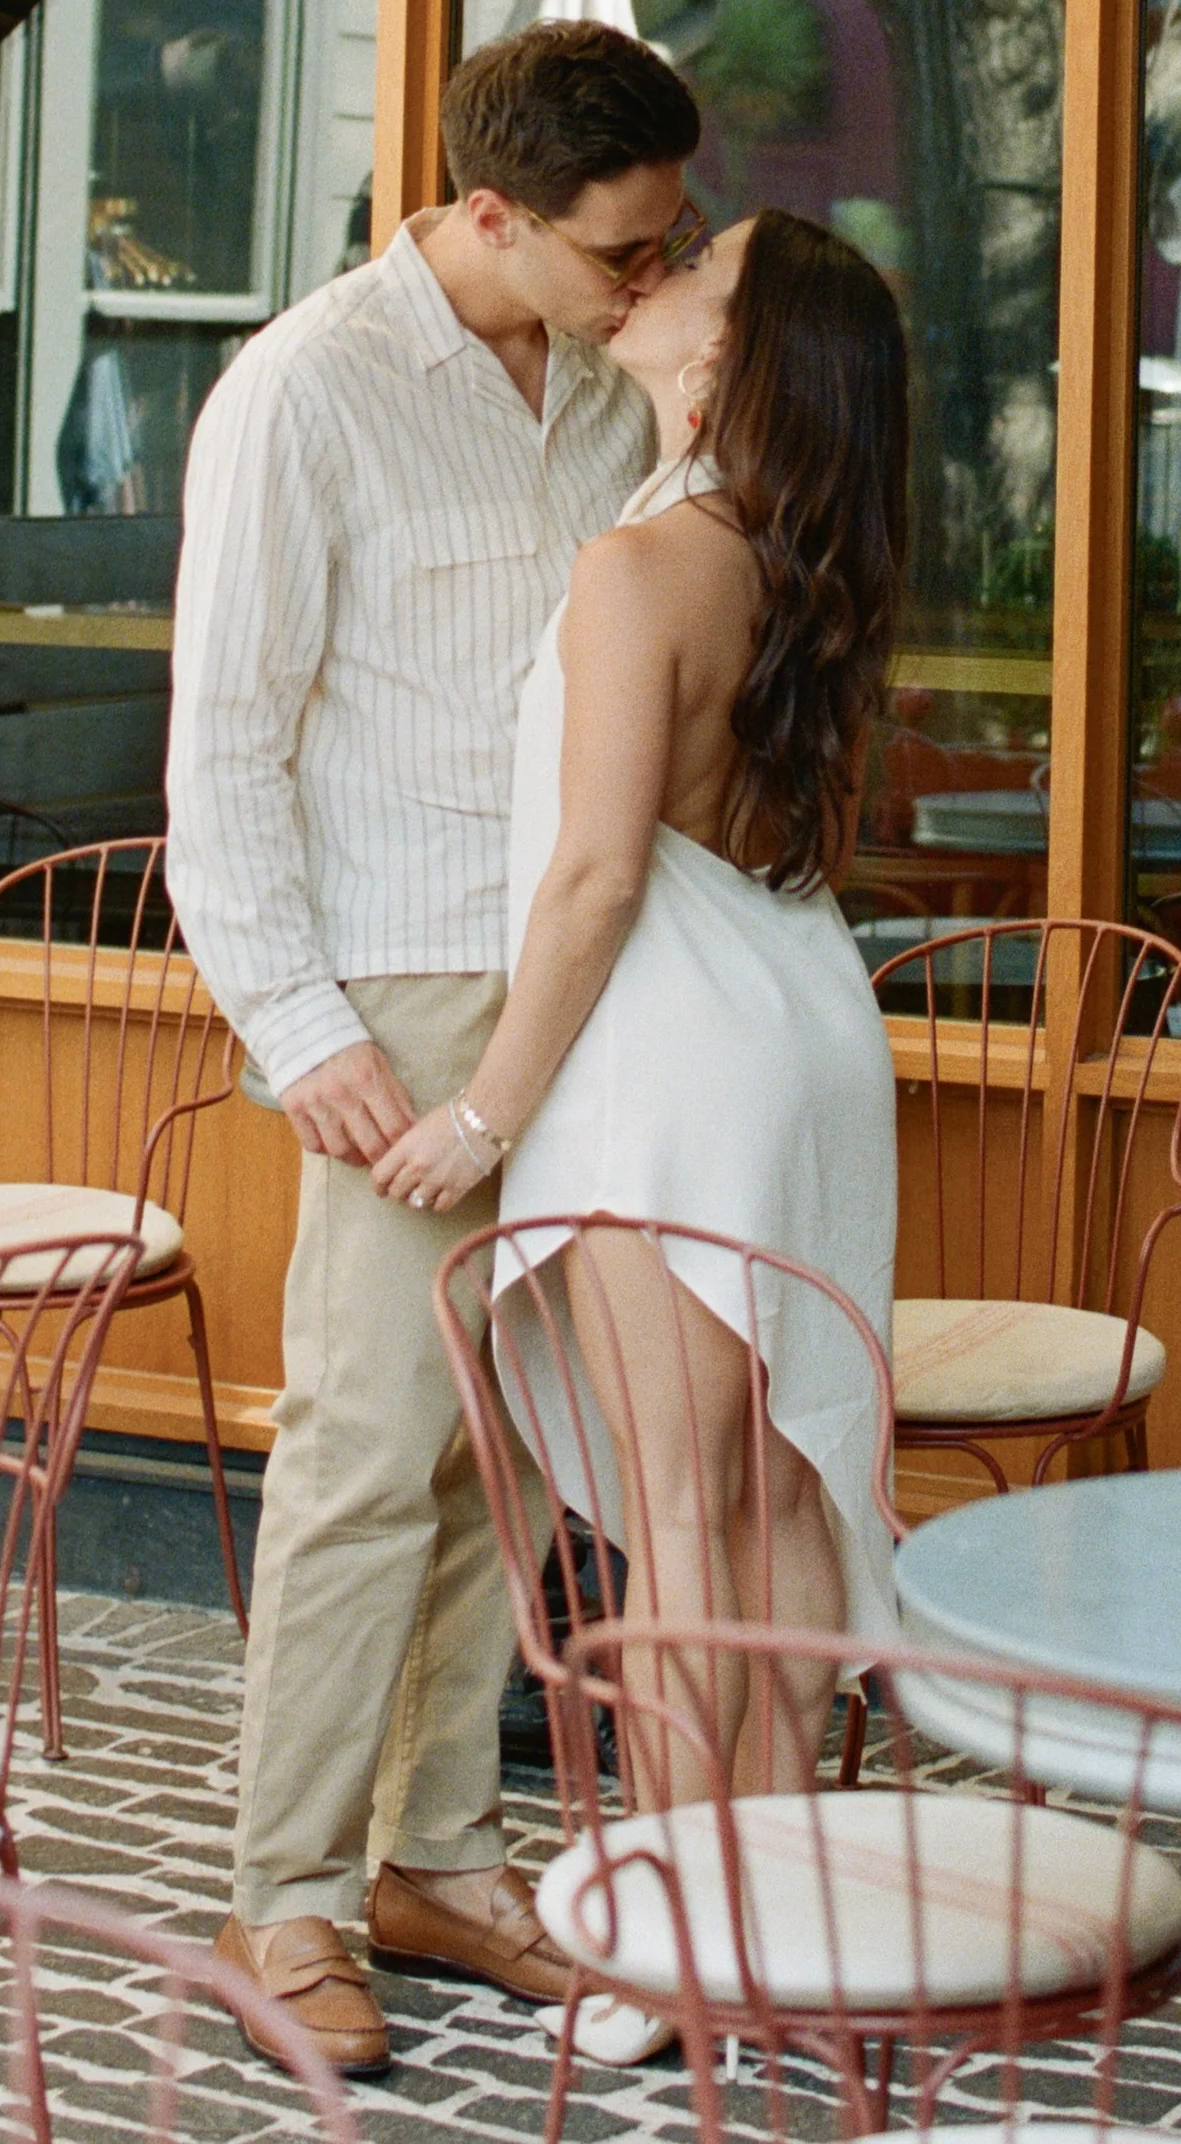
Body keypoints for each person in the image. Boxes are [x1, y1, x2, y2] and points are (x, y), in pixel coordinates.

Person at [166, 19, 701, 2078]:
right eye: (617, 251)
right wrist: (298, 1028)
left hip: (574, 988)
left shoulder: (602, 376)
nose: (649, 281)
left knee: (508, 1445)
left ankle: (440, 1853)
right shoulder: (304, 390)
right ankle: (283, 1900)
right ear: (490, 213)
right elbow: (223, 743)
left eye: (666, 248)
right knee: (366, 1454)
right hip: (391, 992)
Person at [372, 208, 907, 1817]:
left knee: (680, 1514)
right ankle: (776, 1877)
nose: (654, 276)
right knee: (776, 1487)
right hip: (803, 1029)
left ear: (727, 350)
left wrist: (482, 1112)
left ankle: (688, 1910)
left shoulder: (642, 567)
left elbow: (598, 877)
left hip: (666, 1060)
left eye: (696, 270)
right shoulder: (795, 562)